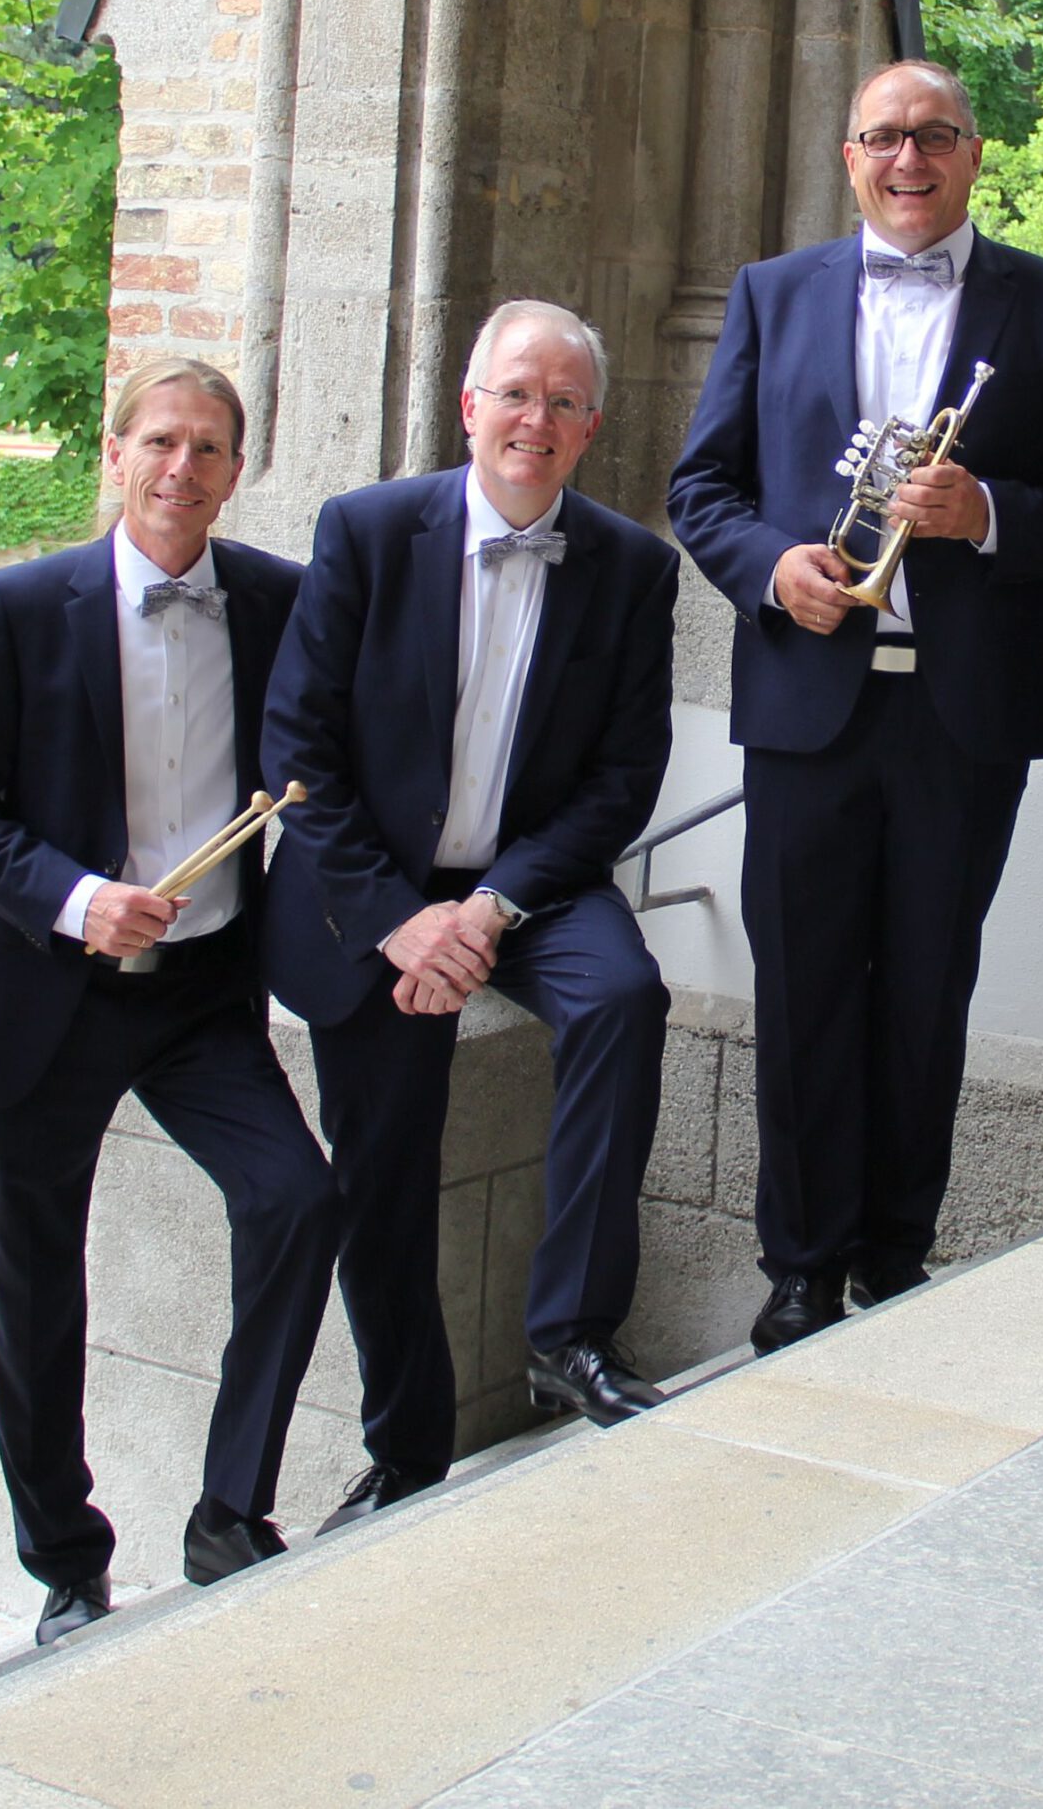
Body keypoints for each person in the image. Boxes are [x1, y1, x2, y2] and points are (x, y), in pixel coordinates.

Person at [668, 59, 1043, 1355]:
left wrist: (989, 512)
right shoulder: (770, 293)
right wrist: (773, 569)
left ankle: (893, 1252)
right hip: (807, 702)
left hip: (960, 711)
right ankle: (801, 1265)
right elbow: (702, 487)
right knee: (804, 990)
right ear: (850, 155)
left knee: (928, 988)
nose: (907, 158)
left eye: (933, 135)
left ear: (974, 152)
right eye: (883, 136)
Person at [0, 357, 337, 1636]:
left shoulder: (278, 599)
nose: (180, 468)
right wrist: (75, 896)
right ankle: (64, 1561)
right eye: (159, 440)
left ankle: (229, 1508)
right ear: (115, 452)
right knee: (38, 1288)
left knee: (297, 1196)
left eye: (208, 447)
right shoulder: (21, 604)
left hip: (202, 992)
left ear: (237, 469)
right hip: (54, 990)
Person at [261, 300, 679, 1532]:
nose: (534, 419)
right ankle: (405, 1445)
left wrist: (492, 907)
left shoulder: (632, 565)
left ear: (591, 425)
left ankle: (570, 1334)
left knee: (623, 997)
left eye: (562, 401)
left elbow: (621, 779)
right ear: (467, 406)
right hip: (373, 888)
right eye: (514, 392)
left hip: (530, 885)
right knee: (382, 1151)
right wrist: (401, 921)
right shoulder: (366, 530)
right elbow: (299, 750)